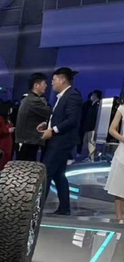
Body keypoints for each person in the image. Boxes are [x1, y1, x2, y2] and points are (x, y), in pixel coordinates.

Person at [37, 67, 83, 215]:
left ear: (62, 80)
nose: (52, 83)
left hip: (62, 141)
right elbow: (60, 117)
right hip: (58, 139)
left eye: (54, 80)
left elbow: (72, 120)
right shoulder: (62, 96)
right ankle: (64, 208)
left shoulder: (72, 95)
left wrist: (53, 130)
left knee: (46, 172)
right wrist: (47, 125)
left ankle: (36, 208)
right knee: (58, 175)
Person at [16, 73, 52, 162]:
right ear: (36, 85)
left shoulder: (29, 99)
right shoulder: (33, 100)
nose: (46, 86)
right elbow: (49, 112)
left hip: (27, 140)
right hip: (28, 141)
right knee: (26, 167)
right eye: (44, 83)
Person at [105, 103, 124, 223]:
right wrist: (122, 139)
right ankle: (119, 217)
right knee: (119, 186)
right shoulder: (122, 108)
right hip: (123, 152)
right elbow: (112, 129)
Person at [79, 89, 102, 161]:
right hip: (88, 127)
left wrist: (94, 127)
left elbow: (95, 117)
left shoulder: (98, 105)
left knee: (91, 143)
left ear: (96, 95)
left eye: (93, 94)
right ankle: (89, 156)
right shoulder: (91, 104)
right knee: (86, 142)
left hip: (92, 128)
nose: (92, 96)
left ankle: (92, 158)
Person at [0, 102, 15, 170]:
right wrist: (7, 130)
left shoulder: (7, 118)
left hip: (8, 141)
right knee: (2, 159)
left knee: (7, 158)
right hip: (2, 142)